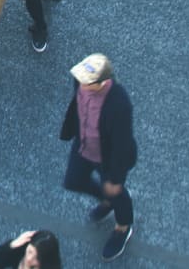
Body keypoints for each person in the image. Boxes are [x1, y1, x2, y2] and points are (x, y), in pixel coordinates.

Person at [61, 53, 135, 259]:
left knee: (115, 191)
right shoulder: (80, 82)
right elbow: (77, 105)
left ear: (103, 82)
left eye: (88, 82)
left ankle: (123, 226)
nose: (82, 84)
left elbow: (123, 145)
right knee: (73, 181)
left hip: (108, 156)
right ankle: (106, 198)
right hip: (84, 144)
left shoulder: (119, 103)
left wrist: (116, 179)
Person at [0, 231, 66, 269]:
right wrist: (11, 245)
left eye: (36, 258)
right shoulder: (19, 251)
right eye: (30, 252)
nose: (29, 258)